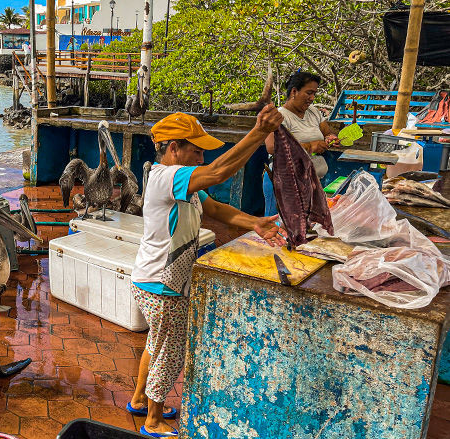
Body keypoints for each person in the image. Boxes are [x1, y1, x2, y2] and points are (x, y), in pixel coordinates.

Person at [128, 108, 287, 437]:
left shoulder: (184, 185)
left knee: (156, 345)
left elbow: (216, 208)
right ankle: (153, 420)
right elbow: (218, 172)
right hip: (162, 285)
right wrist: (258, 133)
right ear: (174, 148)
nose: (201, 156)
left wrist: (255, 223)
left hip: (151, 279)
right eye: (196, 150)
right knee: (171, 352)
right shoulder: (166, 177)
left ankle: (140, 398)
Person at [262, 71, 340, 216]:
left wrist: (330, 138)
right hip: (284, 182)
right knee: (278, 227)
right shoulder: (279, 116)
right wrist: (310, 146)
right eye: (308, 93)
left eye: (314, 93)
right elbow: (272, 147)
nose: (312, 98)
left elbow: (326, 132)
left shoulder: (314, 112)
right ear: (294, 91)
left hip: (312, 181)